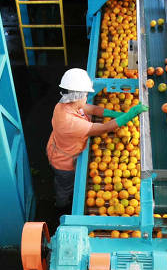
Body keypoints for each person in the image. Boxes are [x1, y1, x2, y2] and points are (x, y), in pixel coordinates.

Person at [46, 68, 148, 214]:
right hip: (64, 161)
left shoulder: (64, 105)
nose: (87, 97)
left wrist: (113, 113)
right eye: (85, 94)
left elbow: (91, 109)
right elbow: (103, 128)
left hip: (59, 145)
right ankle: (61, 206)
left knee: (65, 182)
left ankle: (62, 200)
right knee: (65, 185)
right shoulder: (70, 122)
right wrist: (128, 116)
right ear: (77, 96)